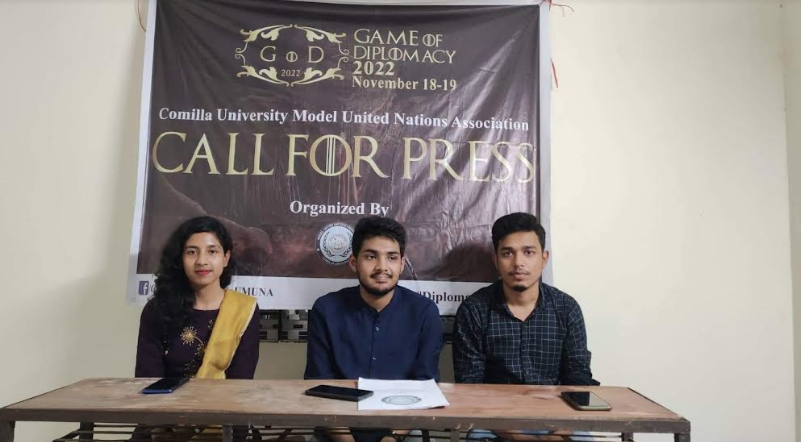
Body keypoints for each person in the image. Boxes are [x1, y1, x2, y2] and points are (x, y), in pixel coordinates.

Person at [453, 213, 597, 442]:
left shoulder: (567, 308)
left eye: (528, 252)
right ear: (495, 260)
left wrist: (560, 432)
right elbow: (470, 388)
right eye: (508, 253)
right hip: (494, 424)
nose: (518, 263)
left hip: (558, 422)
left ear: (544, 258)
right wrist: (516, 437)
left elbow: (578, 379)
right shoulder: (474, 310)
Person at [305, 216, 443, 442]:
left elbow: (425, 386)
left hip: (402, 431)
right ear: (353, 261)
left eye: (392, 258)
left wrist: (392, 437)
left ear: (402, 264)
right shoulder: (326, 310)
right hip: (337, 429)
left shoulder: (424, 312)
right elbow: (319, 386)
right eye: (371, 256)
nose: (382, 267)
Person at [135, 215, 260, 380]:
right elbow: (147, 380)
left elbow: (242, 379)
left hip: (227, 397)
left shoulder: (244, 310)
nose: (202, 261)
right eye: (192, 252)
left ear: (225, 258)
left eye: (212, 251)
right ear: (181, 259)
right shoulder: (158, 309)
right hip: (166, 397)